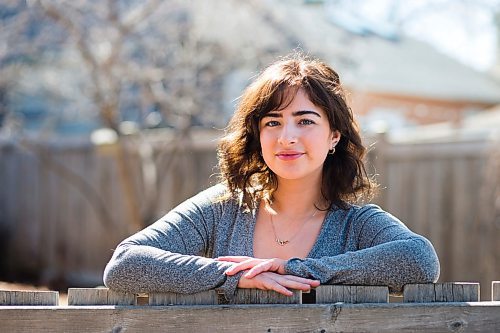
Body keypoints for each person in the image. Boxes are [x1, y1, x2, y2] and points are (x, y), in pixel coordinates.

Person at [103, 54, 440, 301]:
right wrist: (233, 276)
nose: (286, 137)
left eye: (305, 121)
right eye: (273, 122)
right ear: (258, 135)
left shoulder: (357, 224)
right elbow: (124, 264)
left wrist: (296, 269)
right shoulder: (222, 210)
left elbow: (420, 260)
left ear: (334, 135)